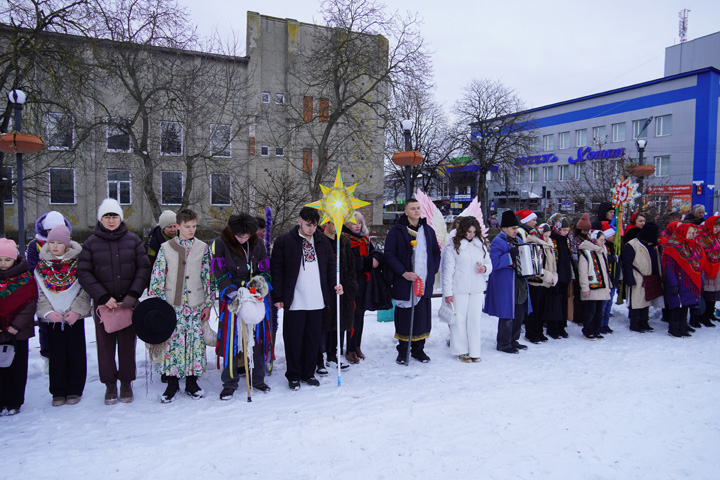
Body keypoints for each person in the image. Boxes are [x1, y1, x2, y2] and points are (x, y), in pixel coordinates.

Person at [77, 198, 151, 405]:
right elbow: (84, 272)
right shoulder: (91, 243)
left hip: (128, 303)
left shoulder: (133, 240)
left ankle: (126, 382)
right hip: (104, 305)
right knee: (105, 346)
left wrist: (133, 294)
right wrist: (102, 296)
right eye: (107, 217)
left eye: (114, 216)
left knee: (127, 345)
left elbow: (143, 268)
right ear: (100, 219)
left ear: (121, 218)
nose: (111, 220)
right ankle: (109, 384)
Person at [270, 207, 343, 390]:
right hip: (295, 298)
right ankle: (293, 375)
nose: (311, 229)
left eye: (314, 225)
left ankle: (308, 373)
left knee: (313, 339)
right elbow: (277, 270)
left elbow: (330, 265)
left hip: (317, 298)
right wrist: (278, 296)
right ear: (299, 221)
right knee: (294, 339)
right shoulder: (285, 241)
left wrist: (335, 284)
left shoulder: (322, 241)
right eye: (308, 224)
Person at [148, 209, 213, 403]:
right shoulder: (166, 248)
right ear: (178, 226)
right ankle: (172, 383)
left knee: (194, 342)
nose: (191, 230)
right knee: (172, 344)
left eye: (194, 226)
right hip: (172, 304)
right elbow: (158, 275)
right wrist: (157, 302)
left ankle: (192, 382)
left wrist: (208, 304)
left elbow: (208, 277)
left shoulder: (202, 248)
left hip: (195, 304)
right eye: (187, 226)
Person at [212, 213, 271, 399]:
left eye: (246, 236)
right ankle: (229, 381)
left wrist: (257, 288)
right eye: (240, 236)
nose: (243, 239)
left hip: (253, 293)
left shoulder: (258, 243)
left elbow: (265, 270)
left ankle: (258, 378)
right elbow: (219, 272)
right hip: (233, 295)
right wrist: (233, 294)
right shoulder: (220, 243)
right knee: (231, 339)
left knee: (257, 337)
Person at [34, 226, 91, 407]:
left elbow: (85, 289)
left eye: (59, 243)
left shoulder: (78, 264)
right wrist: (48, 312)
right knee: (56, 354)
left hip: (74, 316)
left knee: (75, 353)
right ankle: (58, 390)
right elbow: (40, 293)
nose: (55, 246)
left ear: (67, 244)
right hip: (53, 318)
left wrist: (76, 310)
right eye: (52, 242)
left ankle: (75, 388)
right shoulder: (42, 266)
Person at [384, 199, 441, 364]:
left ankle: (419, 350)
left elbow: (435, 252)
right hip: (405, 281)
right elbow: (389, 254)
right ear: (406, 212)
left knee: (422, 316)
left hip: (423, 281)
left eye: (418, 208)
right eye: (412, 208)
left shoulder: (428, 230)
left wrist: (432, 269)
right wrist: (404, 273)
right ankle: (403, 351)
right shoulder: (397, 231)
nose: (416, 211)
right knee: (405, 317)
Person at [441, 216, 492, 362]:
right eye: (469, 232)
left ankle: (475, 350)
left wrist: (485, 268)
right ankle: (461, 350)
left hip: (477, 288)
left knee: (474, 320)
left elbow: (489, 263)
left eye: (474, 232)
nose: (471, 235)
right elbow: (448, 272)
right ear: (462, 230)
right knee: (459, 320)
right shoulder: (453, 247)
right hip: (459, 289)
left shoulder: (480, 245)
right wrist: (448, 293)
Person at [26, 211, 72, 371]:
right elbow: (32, 268)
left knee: (66, 324)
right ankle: (47, 356)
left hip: (65, 289)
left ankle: (66, 356)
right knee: (45, 326)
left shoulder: (68, 243)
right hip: (43, 291)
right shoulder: (35, 245)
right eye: (49, 230)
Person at [484, 210, 533, 354]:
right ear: (504, 228)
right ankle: (504, 343)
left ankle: (514, 340)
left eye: (516, 228)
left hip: (519, 282)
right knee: (507, 315)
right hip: (506, 284)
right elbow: (494, 263)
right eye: (513, 228)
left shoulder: (519, 240)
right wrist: (510, 256)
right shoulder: (497, 242)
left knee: (519, 313)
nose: (515, 231)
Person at [0, 238, 37, 416]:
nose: (3, 263)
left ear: (14, 259)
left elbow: (30, 304)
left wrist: (15, 326)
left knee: (17, 367)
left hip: (18, 332)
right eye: (0, 260)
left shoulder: (25, 279)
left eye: (7, 259)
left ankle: (15, 401)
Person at [317, 221, 356, 372]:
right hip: (324, 287)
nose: (337, 226)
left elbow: (350, 266)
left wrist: (349, 286)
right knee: (322, 325)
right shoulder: (319, 240)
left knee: (338, 324)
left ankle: (333, 356)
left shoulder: (343, 241)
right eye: (334, 223)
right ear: (327, 223)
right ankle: (319, 358)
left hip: (341, 288)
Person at [343, 211, 379, 362]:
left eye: (359, 222)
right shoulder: (344, 239)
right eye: (353, 223)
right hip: (350, 284)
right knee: (351, 316)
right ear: (346, 224)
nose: (357, 226)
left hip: (364, 283)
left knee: (360, 315)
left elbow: (375, 253)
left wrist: (376, 258)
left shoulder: (364, 240)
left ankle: (357, 345)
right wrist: (368, 263)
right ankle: (350, 348)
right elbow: (348, 262)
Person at [663, 224, 705, 337]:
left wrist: (700, 282)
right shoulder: (673, 246)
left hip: (689, 281)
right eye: (689, 232)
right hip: (679, 281)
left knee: (685, 305)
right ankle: (674, 328)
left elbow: (697, 265)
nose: (692, 235)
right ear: (683, 232)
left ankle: (682, 326)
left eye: (693, 233)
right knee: (677, 306)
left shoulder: (692, 245)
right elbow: (669, 268)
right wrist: (673, 284)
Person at [622, 222, 662, 332]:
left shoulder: (653, 246)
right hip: (636, 276)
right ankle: (635, 323)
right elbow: (627, 264)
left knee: (646, 301)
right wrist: (629, 279)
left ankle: (644, 322)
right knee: (636, 301)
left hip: (649, 277)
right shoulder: (632, 245)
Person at [525, 223, 558, 343]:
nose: (547, 238)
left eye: (549, 236)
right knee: (534, 309)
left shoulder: (548, 245)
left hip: (546, 282)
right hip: (536, 282)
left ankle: (539, 331)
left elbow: (553, 263)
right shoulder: (533, 245)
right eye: (545, 235)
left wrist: (554, 277)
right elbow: (535, 266)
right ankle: (531, 333)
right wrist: (549, 277)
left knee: (542, 309)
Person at [578, 230, 611, 339]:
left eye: (604, 240)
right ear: (593, 239)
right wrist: (585, 287)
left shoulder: (602, 250)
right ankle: (588, 330)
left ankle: (596, 330)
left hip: (602, 286)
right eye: (601, 240)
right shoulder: (586, 252)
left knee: (599, 311)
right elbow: (583, 272)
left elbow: (605, 269)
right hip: (592, 287)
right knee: (590, 311)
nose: (603, 242)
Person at [549, 215, 572, 338]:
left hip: (565, 275)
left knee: (563, 303)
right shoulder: (553, 240)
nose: (565, 233)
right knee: (555, 303)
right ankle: (553, 327)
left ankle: (562, 326)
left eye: (567, 230)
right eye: (563, 230)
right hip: (556, 275)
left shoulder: (566, 240)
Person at [697, 216, 720, 327]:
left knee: (715, 293)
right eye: (715, 226)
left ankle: (710, 313)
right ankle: (704, 316)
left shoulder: (717, 237)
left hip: (717, 268)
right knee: (707, 293)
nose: (717, 229)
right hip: (706, 269)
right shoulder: (702, 236)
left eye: (719, 226)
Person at [600, 222, 620, 334]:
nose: (615, 237)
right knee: (604, 303)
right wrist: (613, 258)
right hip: (607, 278)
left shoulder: (615, 247)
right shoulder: (604, 247)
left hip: (613, 278)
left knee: (609, 303)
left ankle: (605, 324)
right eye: (613, 235)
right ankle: (600, 324)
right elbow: (603, 259)